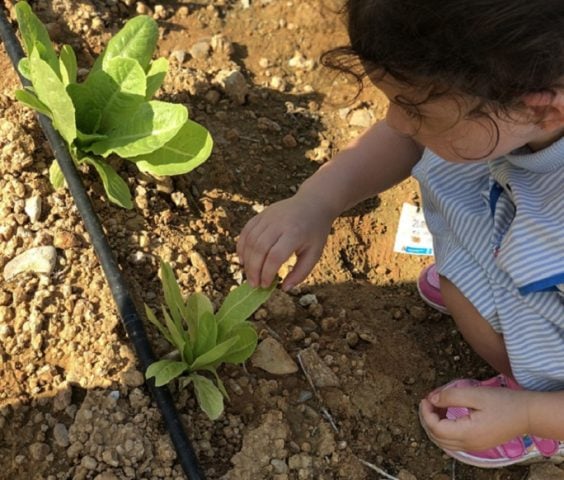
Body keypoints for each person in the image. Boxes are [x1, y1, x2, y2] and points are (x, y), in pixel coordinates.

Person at [237, 0, 564, 469]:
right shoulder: (517, 94)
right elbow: (405, 137)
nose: (394, 121)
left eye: (416, 108)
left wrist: (530, 413)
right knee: (446, 165)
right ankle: (483, 275)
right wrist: (317, 201)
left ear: (542, 111)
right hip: (521, 207)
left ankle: (542, 409)